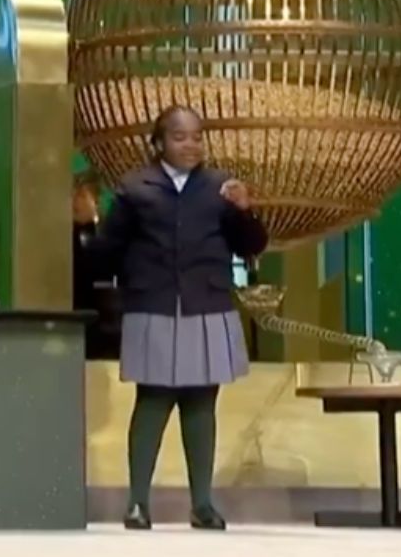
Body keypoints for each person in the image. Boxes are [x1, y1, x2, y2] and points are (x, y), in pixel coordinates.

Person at [89, 105, 268, 531]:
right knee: (152, 401)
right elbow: (107, 249)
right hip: (153, 304)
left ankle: (203, 505)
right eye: (180, 137)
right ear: (158, 143)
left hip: (207, 305)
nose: (191, 145)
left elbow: (252, 244)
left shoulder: (220, 187)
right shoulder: (135, 188)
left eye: (197, 137)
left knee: (201, 404)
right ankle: (137, 503)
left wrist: (245, 210)